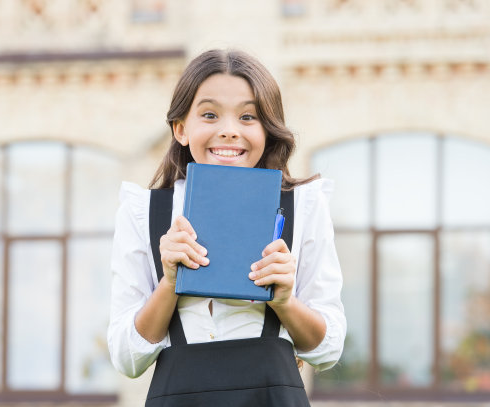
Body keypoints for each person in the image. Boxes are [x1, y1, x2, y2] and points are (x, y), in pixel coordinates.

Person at [108, 49, 346, 406]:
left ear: (267, 130)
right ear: (181, 129)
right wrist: (170, 283)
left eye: (248, 116)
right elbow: (127, 358)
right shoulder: (144, 211)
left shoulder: (304, 206)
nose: (229, 131)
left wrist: (285, 300)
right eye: (209, 114)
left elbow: (328, 350)